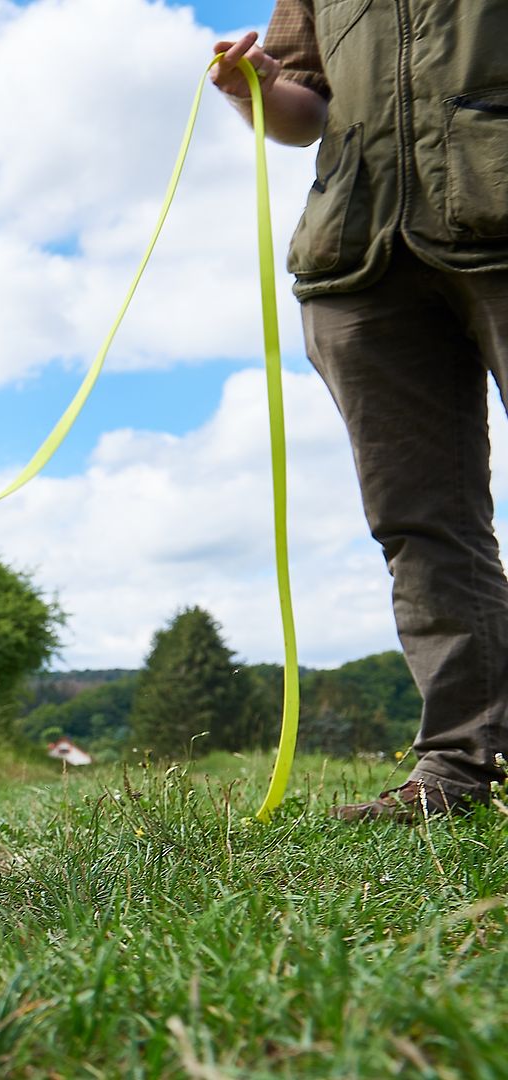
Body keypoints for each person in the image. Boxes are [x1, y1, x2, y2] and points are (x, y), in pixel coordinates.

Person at [210, 2, 508, 821]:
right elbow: (304, 109)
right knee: (420, 521)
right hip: (363, 252)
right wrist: (258, 87)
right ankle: (459, 769)